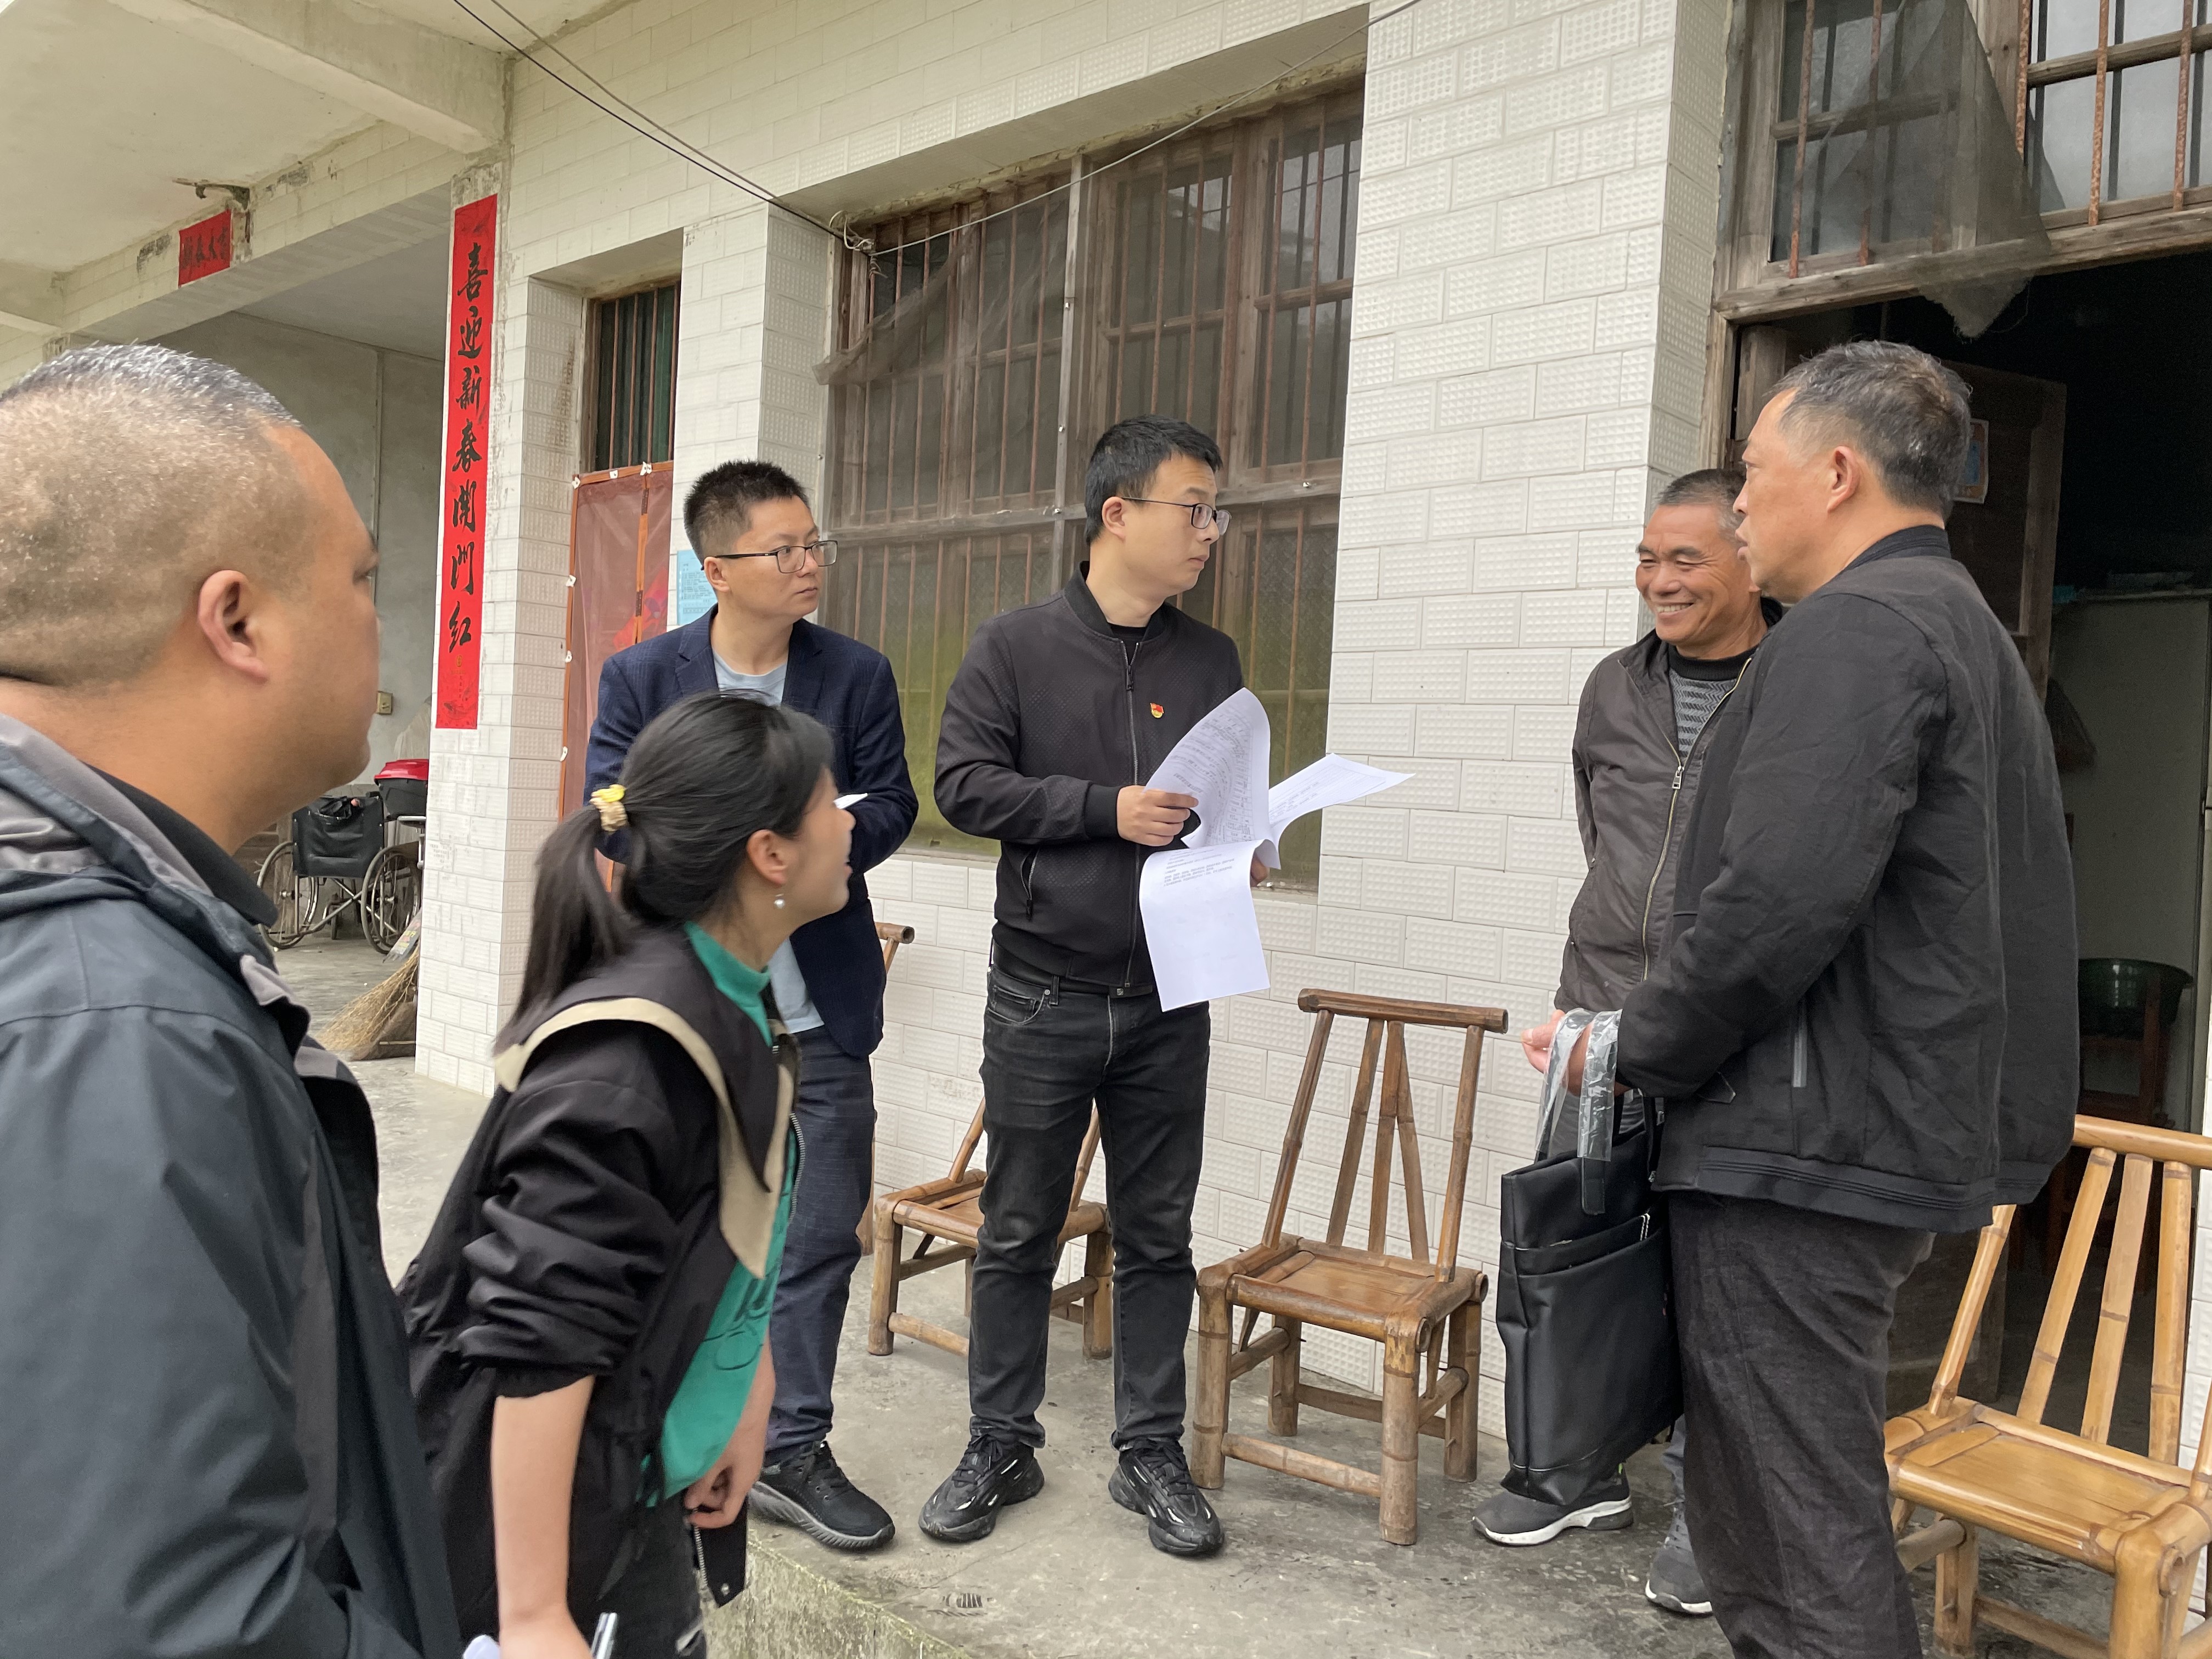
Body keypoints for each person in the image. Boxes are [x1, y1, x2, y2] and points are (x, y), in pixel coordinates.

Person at [1556, 341, 2075, 1658]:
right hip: (1857, 1127)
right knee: (1768, 1509)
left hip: (1804, 1145)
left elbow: (1773, 906)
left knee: (1794, 1525)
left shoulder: (1858, 628)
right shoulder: (1958, 621)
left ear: (1837, 473)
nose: (1738, 506)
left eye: (1752, 473)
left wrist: (1632, 1047)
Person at [0, 344, 459, 1655]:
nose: (379, 619)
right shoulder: (113, 1025)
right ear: (238, 622)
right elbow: (162, 1619)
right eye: (361, 579)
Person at [405, 692, 853, 1657]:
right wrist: (534, 1615)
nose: (850, 821)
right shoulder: (631, 1062)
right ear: (770, 855)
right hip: (545, 1539)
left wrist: (743, 1397)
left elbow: (728, 1232)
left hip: (637, 1481)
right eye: (829, 803)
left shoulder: (731, 994)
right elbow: (543, 1339)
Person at [924, 415, 1255, 1559]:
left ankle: (1149, 1452)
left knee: (1159, 1232)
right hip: (1044, 990)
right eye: (1194, 509)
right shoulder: (1015, 647)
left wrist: (1243, 842)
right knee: (1019, 1227)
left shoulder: (1211, 660)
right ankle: (1000, 1442)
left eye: (1215, 514)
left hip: (1171, 992)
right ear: (1119, 513)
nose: (1210, 532)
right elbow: (963, 786)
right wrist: (1101, 809)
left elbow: (1221, 796)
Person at [584, 460, 916, 1553]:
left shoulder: (854, 674)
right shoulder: (645, 675)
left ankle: (793, 1448)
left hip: (821, 1015)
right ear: (718, 569)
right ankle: (666, 1434)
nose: (810, 564)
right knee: (682, 1229)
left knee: (817, 1240)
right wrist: (725, 848)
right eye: (786, 550)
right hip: (695, 1015)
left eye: (816, 544)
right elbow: (609, 807)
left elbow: (894, 801)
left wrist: (815, 836)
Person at [1471, 467, 1777, 1622]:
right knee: (1574, 1249)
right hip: (1597, 1012)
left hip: (1728, 1036)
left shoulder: (1798, 685)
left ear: (1749, 559)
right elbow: (1606, 839)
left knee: (1715, 1279)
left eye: (1685, 559)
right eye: (1648, 559)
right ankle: (1570, 1470)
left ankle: (1710, 1515)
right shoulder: (1616, 684)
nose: (1659, 580)